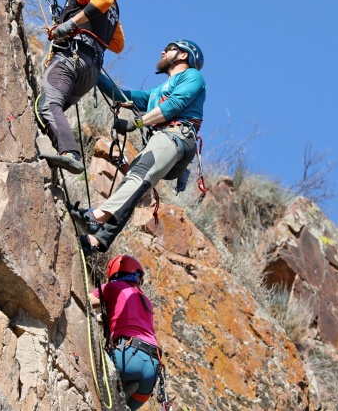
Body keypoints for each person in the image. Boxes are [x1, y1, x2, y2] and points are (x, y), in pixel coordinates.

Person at [72, 40, 205, 253]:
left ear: (184, 55)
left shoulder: (192, 76)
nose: (163, 51)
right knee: (132, 185)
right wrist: (92, 68)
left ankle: (96, 216)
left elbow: (173, 105)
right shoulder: (156, 92)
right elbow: (121, 95)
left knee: (138, 176)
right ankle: (97, 241)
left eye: (170, 48)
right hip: (164, 141)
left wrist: (137, 123)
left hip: (175, 135)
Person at [35, 0, 125, 174]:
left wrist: (71, 24)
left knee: (47, 105)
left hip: (73, 58)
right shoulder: (113, 8)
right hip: (90, 71)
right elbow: (117, 44)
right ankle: (58, 150)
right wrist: (85, 20)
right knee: (48, 111)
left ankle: (70, 154)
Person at [90, 255, 161, 410]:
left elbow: (86, 301)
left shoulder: (114, 287)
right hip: (152, 366)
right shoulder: (146, 301)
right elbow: (125, 319)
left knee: (91, 378)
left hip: (127, 355)